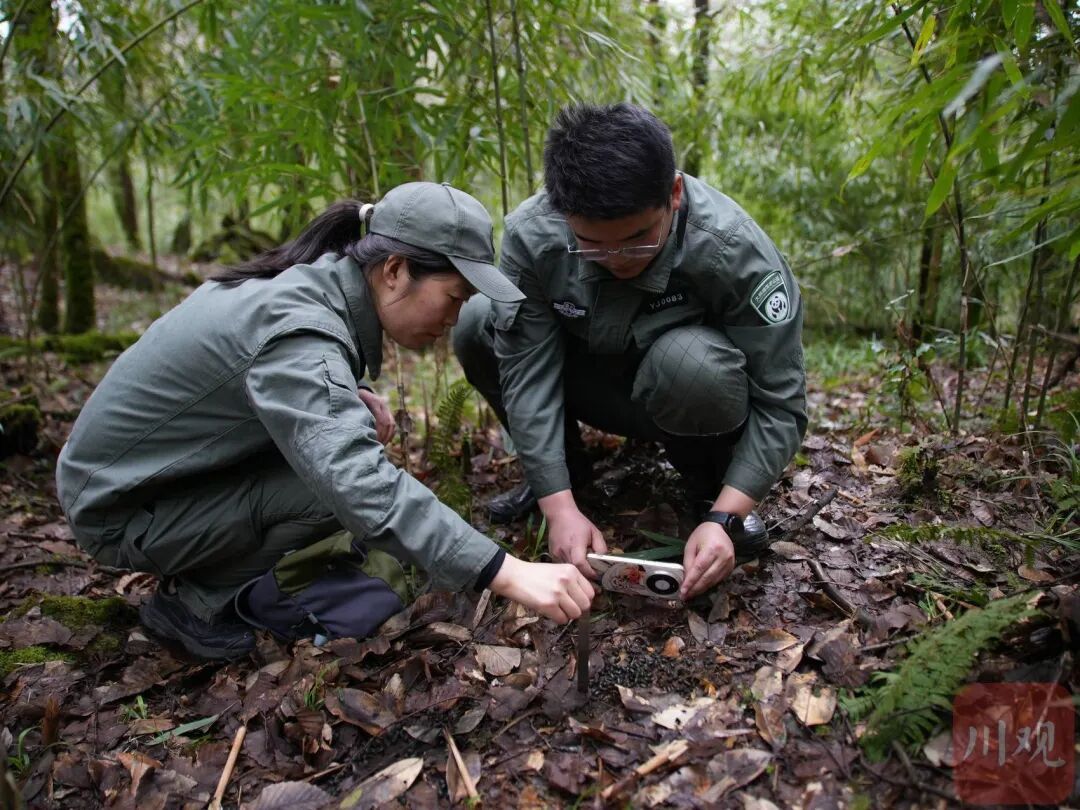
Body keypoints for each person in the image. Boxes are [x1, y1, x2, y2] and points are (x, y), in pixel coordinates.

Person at [56, 182, 595, 661]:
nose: (455, 317)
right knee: (331, 491)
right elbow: (357, 482)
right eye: (454, 296)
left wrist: (348, 392)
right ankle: (193, 605)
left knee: (338, 464)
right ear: (394, 271)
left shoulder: (306, 293)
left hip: (148, 481)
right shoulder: (301, 334)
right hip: (117, 509)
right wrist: (507, 571)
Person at [453, 103, 807, 601]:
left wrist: (728, 515)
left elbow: (782, 402)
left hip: (686, 394)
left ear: (675, 194)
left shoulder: (732, 249)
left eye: (639, 239)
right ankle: (565, 479)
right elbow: (527, 373)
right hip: (591, 383)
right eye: (592, 244)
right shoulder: (533, 236)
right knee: (476, 324)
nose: (618, 259)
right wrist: (560, 509)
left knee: (693, 363)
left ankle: (708, 488)